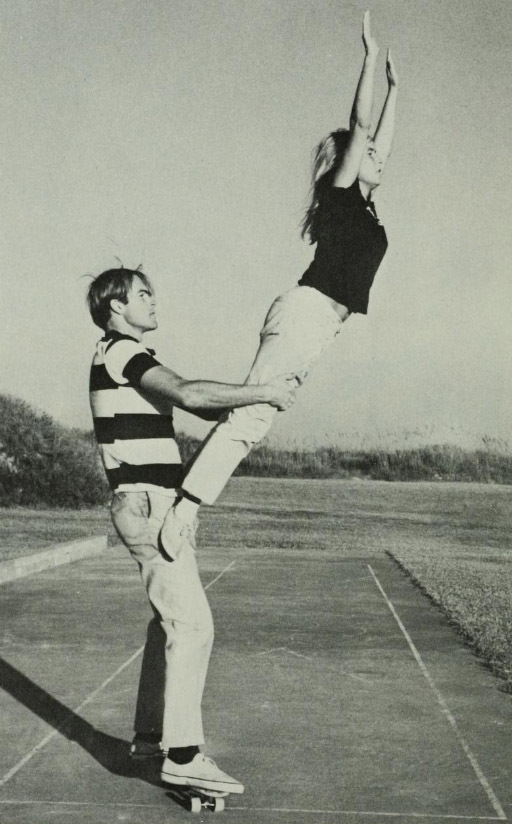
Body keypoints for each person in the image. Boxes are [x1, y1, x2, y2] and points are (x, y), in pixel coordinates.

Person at [160, 11, 398, 556]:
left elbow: (380, 139)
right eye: (370, 158)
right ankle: (183, 511)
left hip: (319, 327)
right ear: (347, 163)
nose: (380, 160)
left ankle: (185, 500)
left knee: (255, 417)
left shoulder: (366, 208)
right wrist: (367, 60)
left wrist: (396, 90)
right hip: (306, 312)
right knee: (253, 415)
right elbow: (361, 130)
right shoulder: (340, 197)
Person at [86, 267, 297, 794]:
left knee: (167, 623)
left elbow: (193, 401)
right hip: (150, 506)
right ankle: (182, 756)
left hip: (152, 503)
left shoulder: (123, 356)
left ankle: (150, 737)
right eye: (142, 294)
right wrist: (262, 391)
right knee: (192, 627)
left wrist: (240, 400)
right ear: (116, 307)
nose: (154, 301)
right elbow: (187, 393)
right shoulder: (121, 353)